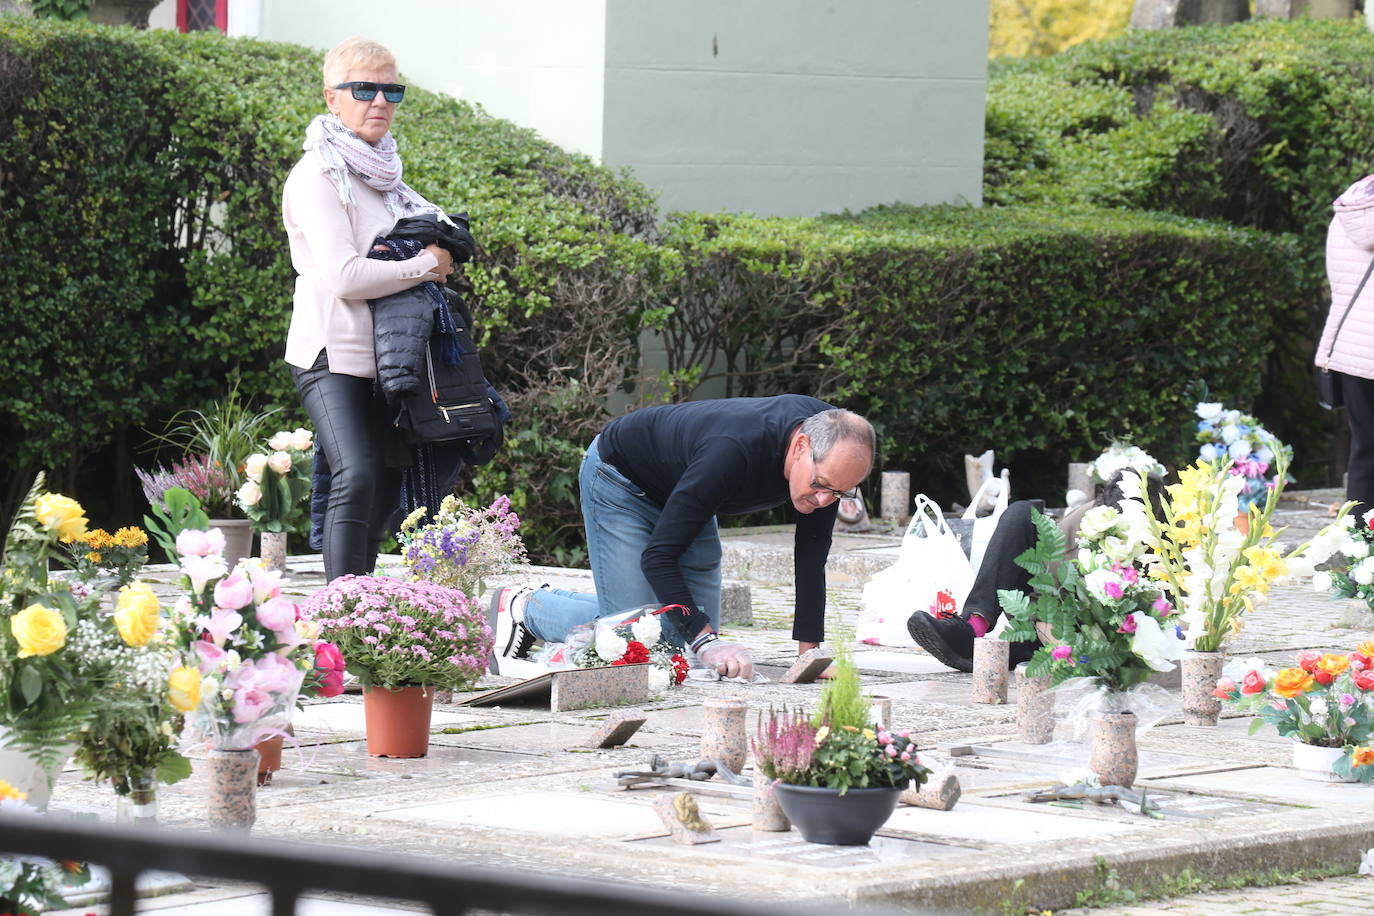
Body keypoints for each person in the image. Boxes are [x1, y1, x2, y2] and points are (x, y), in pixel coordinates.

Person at [486, 396, 877, 680]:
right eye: (821, 486)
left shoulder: (832, 448)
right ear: (801, 446)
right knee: (642, 642)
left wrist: (810, 657)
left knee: (683, 644)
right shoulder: (734, 451)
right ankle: (525, 606)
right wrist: (708, 641)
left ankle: (597, 605)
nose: (825, 500)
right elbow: (659, 557)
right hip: (620, 481)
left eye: (839, 494)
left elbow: (811, 554)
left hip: (686, 493)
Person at [282, 37, 456, 581]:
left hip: (390, 360)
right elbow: (345, 276)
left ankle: (362, 609)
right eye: (364, 89)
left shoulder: (387, 177)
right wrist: (424, 264)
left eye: (391, 90)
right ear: (333, 98)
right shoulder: (318, 175)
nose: (379, 101)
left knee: (380, 486)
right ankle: (344, 615)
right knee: (355, 475)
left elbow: (442, 236)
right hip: (330, 353)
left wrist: (435, 252)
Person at [906, 472, 1163, 672]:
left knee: (1020, 649)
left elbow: (1175, 619)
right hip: (1055, 619)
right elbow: (1047, 583)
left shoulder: (1172, 543)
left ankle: (999, 653)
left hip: (1112, 638)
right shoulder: (1086, 523)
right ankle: (973, 627)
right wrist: (1046, 624)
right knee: (1020, 513)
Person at [1317, 174, 1374, 527]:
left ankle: (1362, 560)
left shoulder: (1350, 207)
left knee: (1366, 452)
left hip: (1355, 349)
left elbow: (1339, 281)